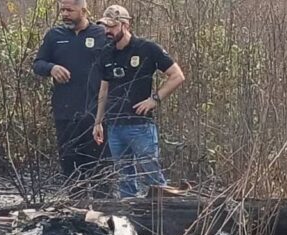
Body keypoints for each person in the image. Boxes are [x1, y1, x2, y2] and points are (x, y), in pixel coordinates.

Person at [91, 5, 185, 198]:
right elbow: (104, 88)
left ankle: (164, 213)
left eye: (112, 26)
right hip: (115, 124)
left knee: (152, 176)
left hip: (140, 124)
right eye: (105, 27)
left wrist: (154, 99)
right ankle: (131, 216)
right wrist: (98, 121)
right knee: (125, 178)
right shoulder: (105, 53)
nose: (107, 31)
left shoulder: (147, 48)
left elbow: (177, 75)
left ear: (125, 25)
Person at [32, 0, 107, 191]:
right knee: (70, 166)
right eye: (62, 10)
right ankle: (76, 211)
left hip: (95, 113)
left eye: (69, 10)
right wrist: (51, 68)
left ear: (83, 10)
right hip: (65, 111)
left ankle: (102, 213)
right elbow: (38, 63)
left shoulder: (100, 34)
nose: (65, 14)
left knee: (100, 169)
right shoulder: (54, 36)